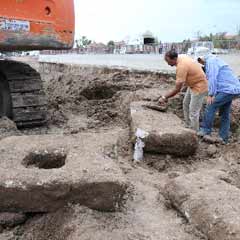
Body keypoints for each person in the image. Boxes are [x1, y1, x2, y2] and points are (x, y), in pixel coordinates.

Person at [159, 50, 208, 131]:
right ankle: (188, 125)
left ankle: (194, 132)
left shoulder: (181, 66)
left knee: (193, 111)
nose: (168, 64)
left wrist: (164, 97)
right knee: (185, 104)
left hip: (200, 86)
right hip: (192, 84)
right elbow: (181, 84)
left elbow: (177, 89)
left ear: (174, 58)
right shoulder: (181, 57)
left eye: (168, 61)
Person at [197, 54, 240, 143]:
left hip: (228, 89)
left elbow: (212, 78)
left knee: (211, 105)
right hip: (232, 89)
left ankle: (205, 130)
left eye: (199, 61)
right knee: (225, 112)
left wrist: (211, 94)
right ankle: (223, 138)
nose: (200, 63)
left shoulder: (211, 62)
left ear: (201, 58)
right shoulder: (215, 60)